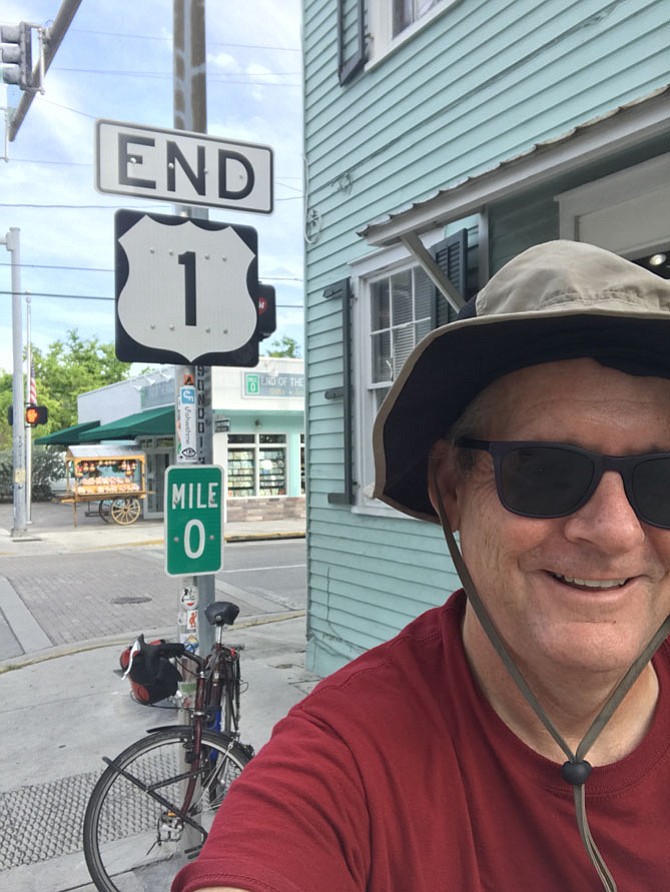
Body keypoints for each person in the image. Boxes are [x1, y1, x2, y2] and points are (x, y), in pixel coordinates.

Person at [172, 240, 670, 892]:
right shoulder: (347, 760)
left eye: (662, 480)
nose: (612, 530)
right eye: (544, 471)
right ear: (451, 486)